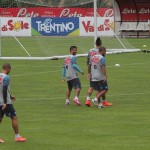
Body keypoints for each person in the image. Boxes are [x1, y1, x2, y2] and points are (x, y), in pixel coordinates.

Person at [0, 63, 26, 143]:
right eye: (10, 69)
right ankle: (17, 137)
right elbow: (4, 88)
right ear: (8, 68)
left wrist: (10, 95)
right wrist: (5, 102)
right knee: (14, 117)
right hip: (6, 102)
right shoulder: (6, 77)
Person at [85, 37, 112, 107]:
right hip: (100, 76)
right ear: (102, 50)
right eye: (105, 51)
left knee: (96, 89)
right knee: (105, 89)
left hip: (93, 75)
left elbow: (88, 65)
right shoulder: (102, 58)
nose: (105, 52)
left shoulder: (92, 56)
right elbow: (103, 67)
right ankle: (96, 99)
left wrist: (89, 73)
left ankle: (99, 104)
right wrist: (105, 75)